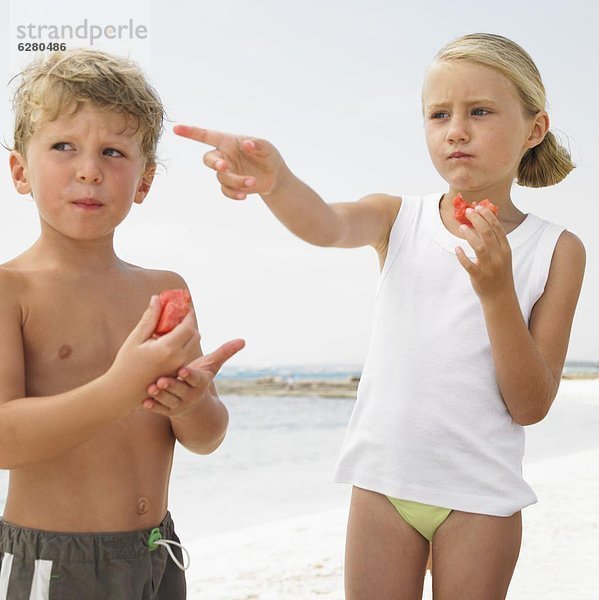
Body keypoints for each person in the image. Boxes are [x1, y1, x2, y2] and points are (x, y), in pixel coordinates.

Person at [173, 33, 586, 599]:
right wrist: (277, 184)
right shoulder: (399, 218)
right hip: (382, 485)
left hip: (482, 497)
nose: (456, 130)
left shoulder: (557, 249)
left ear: (534, 129)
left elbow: (531, 404)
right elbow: (326, 224)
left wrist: (496, 292)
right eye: (438, 114)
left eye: (480, 111)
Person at [0, 49, 244, 599]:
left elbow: (206, 439)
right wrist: (122, 384)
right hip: (51, 562)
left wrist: (193, 404)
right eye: (63, 146)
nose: (89, 169)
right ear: (20, 170)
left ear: (144, 181)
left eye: (113, 151)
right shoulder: (10, 290)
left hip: (157, 554)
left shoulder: (162, 291)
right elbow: (3, 438)